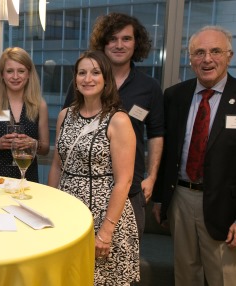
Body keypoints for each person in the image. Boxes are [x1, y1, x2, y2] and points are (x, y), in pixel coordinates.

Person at [153, 26, 236, 285]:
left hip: (226, 206)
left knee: (223, 278)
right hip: (180, 198)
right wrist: (161, 199)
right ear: (190, 58)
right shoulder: (175, 96)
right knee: (185, 274)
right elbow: (167, 153)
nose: (207, 59)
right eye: (199, 52)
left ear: (229, 56)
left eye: (216, 51)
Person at [63, 12, 164, 238]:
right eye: (112, 39)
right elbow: (67, 129)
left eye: (126, 38)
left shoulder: (149, 87)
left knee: (116, 258)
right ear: (102, 43)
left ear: (136, 43)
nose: (119, 45)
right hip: (80, 191)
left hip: (130, 189)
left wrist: (152, 176)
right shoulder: (82, 83)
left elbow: (156, 134)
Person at [48, 50, 139, 284]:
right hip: (68, 210)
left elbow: (124, 181)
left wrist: (106, 232)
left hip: (103, 215)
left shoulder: (118, 120)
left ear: (106, 79)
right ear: (75, 80)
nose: (88, 79)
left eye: (95, 72)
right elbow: (57, 166)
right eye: (82, 73)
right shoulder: (64, 116)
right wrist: (51, 208)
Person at [0, 47, 49, 182]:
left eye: (21, 71)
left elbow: (45, 148)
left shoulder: (39, 106)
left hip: (27, 180)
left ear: (29, 74)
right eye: (10, 71)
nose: (15, 77)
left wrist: (33, 143)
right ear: (2, 75)